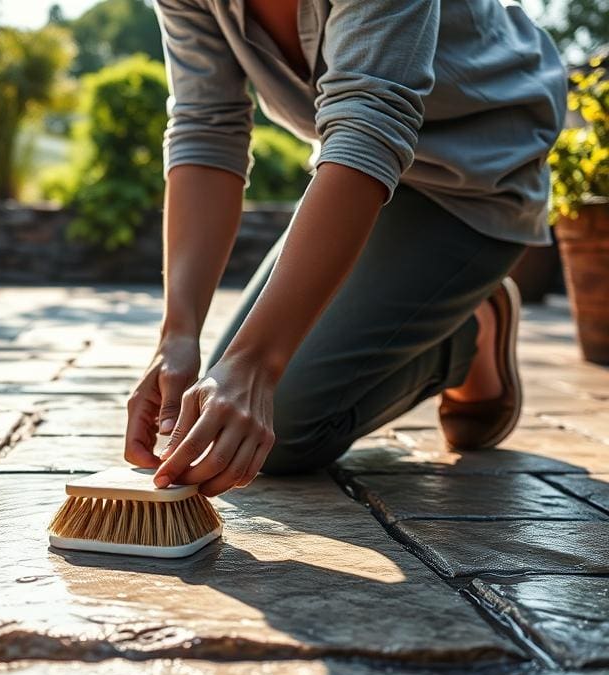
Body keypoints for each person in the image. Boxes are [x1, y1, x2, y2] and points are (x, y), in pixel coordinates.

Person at [124, 0, 567, 497]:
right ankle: (442, 304)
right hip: (359, 172)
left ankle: (466, 334)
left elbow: (368, 125)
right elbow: (206, 127)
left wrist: (256, 365)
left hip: (476, 174)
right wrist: (177, 335)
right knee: (224, 402)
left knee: (280, 426)